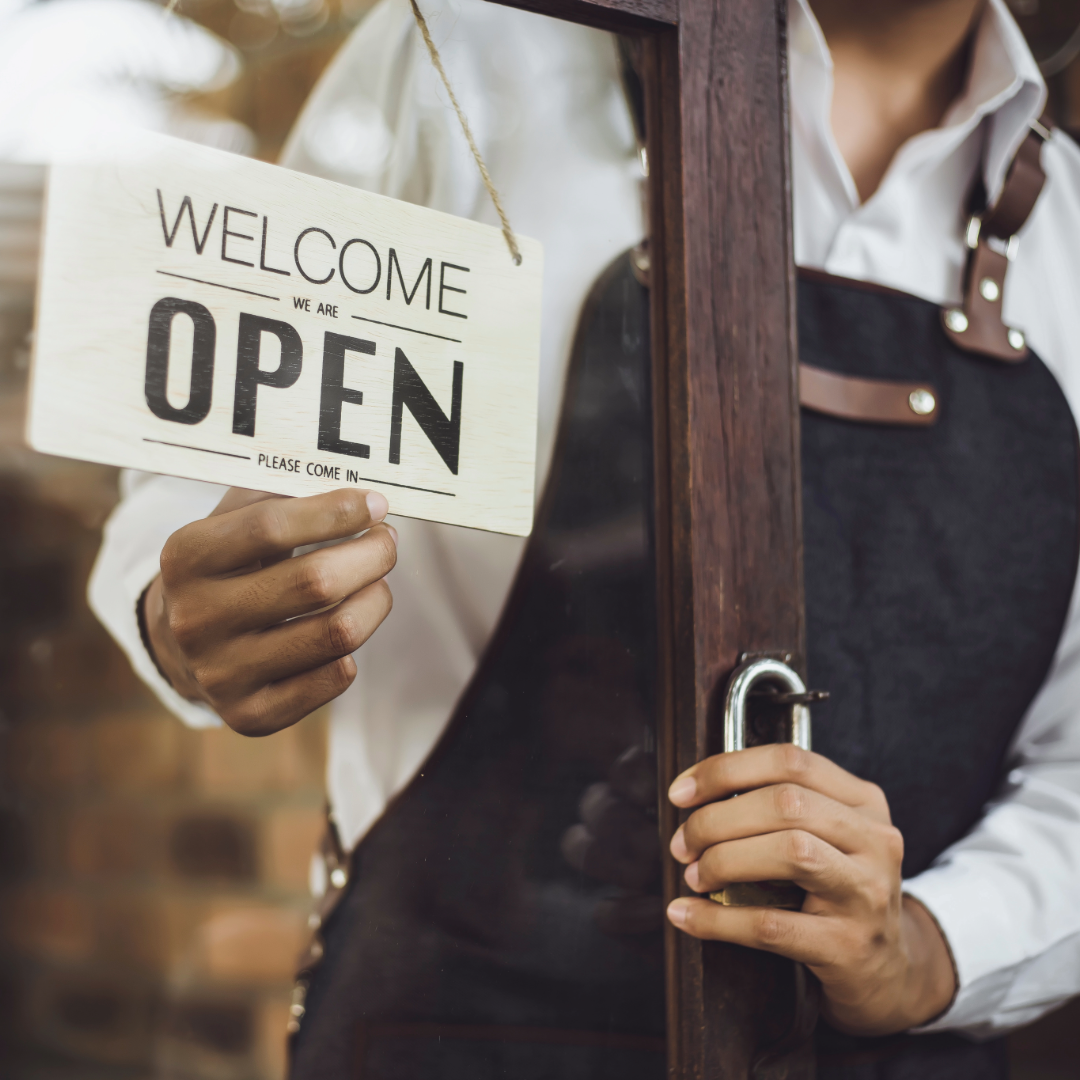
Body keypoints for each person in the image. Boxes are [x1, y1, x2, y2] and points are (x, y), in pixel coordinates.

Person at [89, 0, 1080, 1076]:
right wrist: (181, 608)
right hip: (447, 1030)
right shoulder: (474, 49)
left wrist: (930, 948)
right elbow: (199, 472)